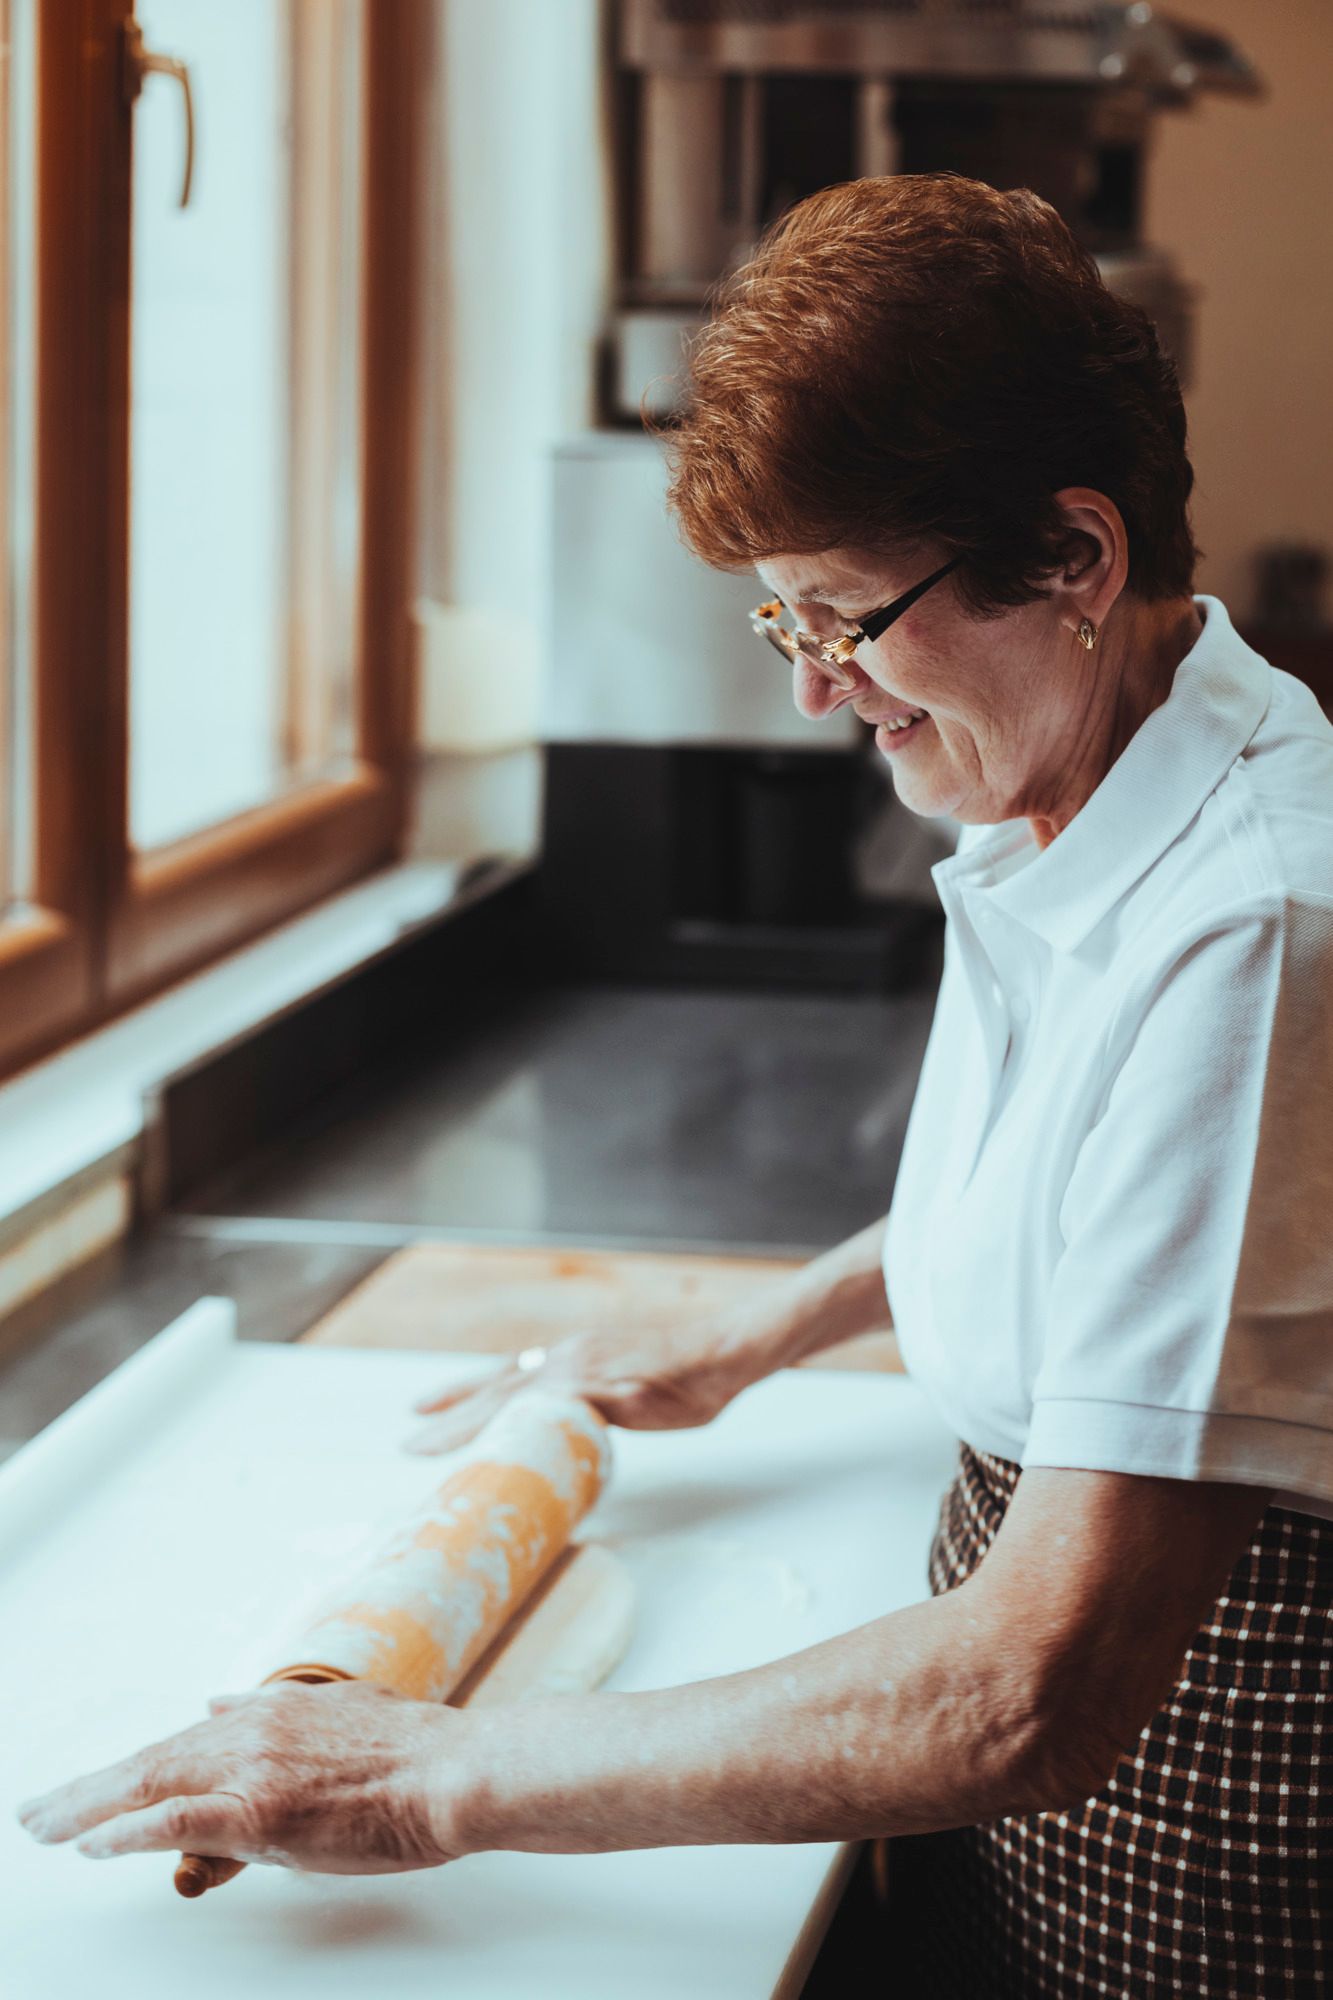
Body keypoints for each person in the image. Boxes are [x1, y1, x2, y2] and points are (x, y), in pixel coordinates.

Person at [19, 174, 1333, 1995]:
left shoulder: (1255, 924)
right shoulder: (1095, 764)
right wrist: (769, 1329)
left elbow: (1034, 1685)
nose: (814, 695)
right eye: (778, 625)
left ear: (1076, 558)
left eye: (842, 616)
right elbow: (1098, 1192)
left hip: (1188, 1815)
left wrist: (432, 1779)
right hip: (1006, 1729)